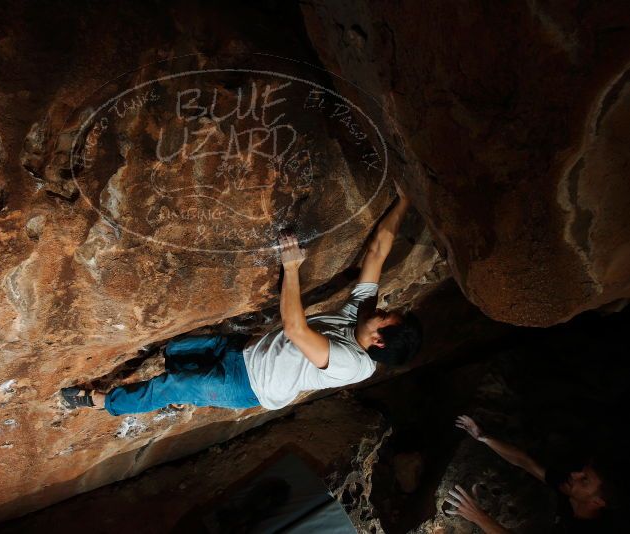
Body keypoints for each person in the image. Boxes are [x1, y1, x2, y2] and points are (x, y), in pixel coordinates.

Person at [59, 186, 422, 415]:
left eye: (386, 317)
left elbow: (296, 329)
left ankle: (99, 401)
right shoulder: (361, 317)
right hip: (243, 349)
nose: (382, 309)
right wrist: (404, 201)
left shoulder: (353, 364)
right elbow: (376, 254)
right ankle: (163, 388)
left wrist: (291, 268)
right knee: (175, 351)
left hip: (247, 385)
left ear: (377, 341)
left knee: (174, 387)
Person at [445, 414, 619, 533]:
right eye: (582, 472)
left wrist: (477, 516)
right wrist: (483, 436)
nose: (574, 475)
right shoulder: (571, 490)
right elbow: (525, 462)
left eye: (585, 480)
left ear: (597, 501)